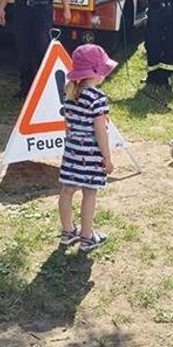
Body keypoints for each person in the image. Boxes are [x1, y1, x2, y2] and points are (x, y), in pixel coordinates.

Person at [58, 44, 117, 253]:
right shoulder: (98, 98)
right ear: (96, 72)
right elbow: (101, 131)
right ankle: (86, 236)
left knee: (66, 191)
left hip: (71, 152)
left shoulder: (70, 94)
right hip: (91, 155)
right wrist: (107, 158)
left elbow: (68, 124)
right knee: (89, 193)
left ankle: (67, 232)